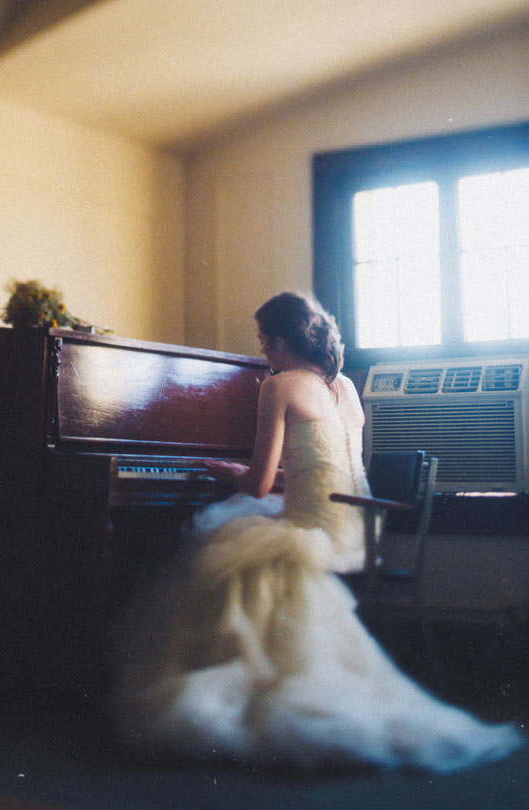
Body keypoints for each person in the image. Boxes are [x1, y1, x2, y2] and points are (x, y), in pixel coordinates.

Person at [114, 292, 523, 773]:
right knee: (242, 538)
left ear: (282, 340)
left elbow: (260, 482)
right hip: (358, 529)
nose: (263, 351)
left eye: (264, 341)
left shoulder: (279, 385)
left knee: (222, 545)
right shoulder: (347, 386)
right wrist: (264, 478)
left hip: (314, 532)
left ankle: (249, 687)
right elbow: (327, 470)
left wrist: (228, 470)